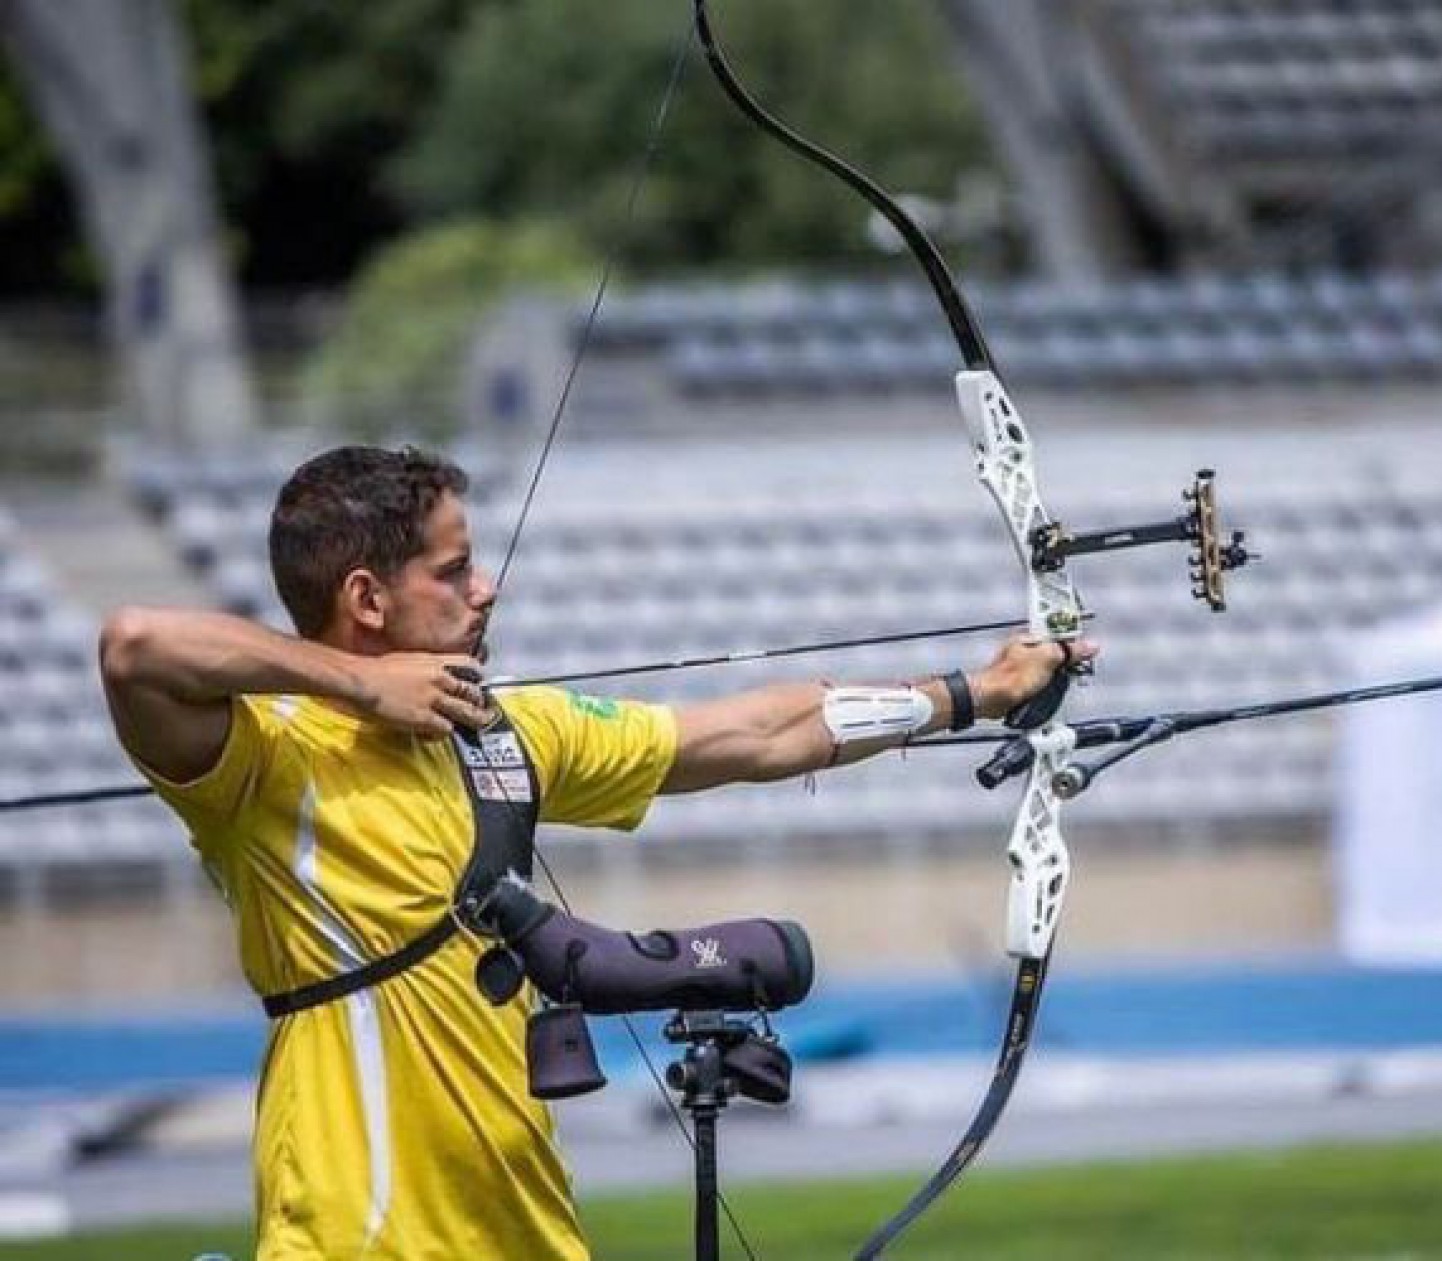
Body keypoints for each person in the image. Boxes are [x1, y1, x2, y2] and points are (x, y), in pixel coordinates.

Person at [97, 445, 1093, 1260]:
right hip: (356, 1240)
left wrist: (973, 691)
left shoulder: (500, 734)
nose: (482, 591)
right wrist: (360, 689)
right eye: (451, 570)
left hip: (531, 1237)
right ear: (366, 598)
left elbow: (752, 734)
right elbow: (136, 645)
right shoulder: (268, 763)